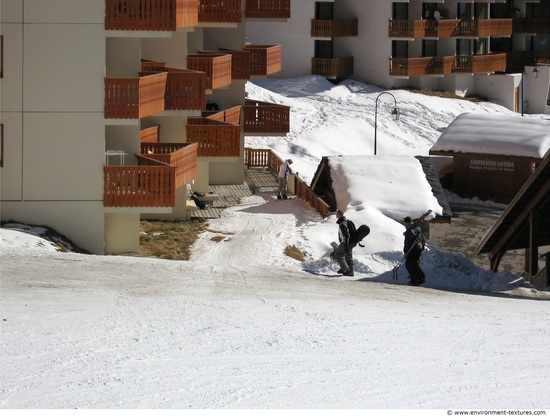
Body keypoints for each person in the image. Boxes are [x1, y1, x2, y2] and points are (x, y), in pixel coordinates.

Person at [403, 216, 426, 286]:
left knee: (409, 265)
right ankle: (421, 277)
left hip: (411, 250)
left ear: (406, 222)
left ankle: (414, 280)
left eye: (404, 222)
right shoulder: (417, 228)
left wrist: (406, 252)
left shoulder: (409, 230)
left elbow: (408, 242)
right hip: (418, 250)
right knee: (414, 264)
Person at [331, 209, 354, 276]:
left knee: (337, 253)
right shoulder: (345, 221)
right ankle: (350, 272)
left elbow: (345, 234)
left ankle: (345, 268)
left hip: (346, 243)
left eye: (336, 214)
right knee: (348, 257)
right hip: (349, 242)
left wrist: (346, 244)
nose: (336, 215)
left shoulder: (342, 223)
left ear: (339, 215)